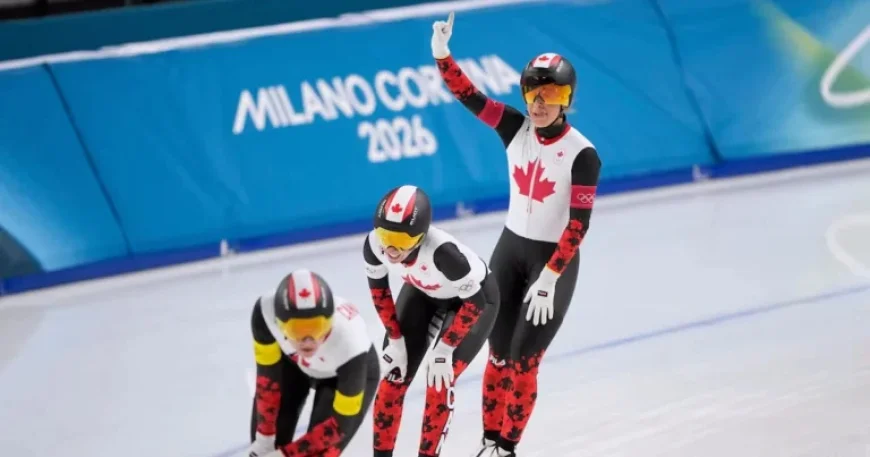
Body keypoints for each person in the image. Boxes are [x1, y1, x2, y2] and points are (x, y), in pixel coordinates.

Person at [430, 12, 603, 457]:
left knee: (524, 363)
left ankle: (507, 447)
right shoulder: (513, 127)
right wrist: (442, 56)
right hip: (509, 251)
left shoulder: (583, 154)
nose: (539, 102)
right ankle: (489, 442)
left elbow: (578, 225)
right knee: (499, 356)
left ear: (567, 99)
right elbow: (470, 96)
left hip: (552, 262)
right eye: (533, 92)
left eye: (551, 93)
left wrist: (549, 278)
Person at [363, 184, 500, 457]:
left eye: (401, 241)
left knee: (438, 381)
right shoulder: (373, 246)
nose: (390, 249)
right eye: (385, 236)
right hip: (423, 292)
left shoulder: (444, 254)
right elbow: (380, 293)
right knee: (393, 380)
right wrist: (396, 339)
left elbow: (475, 304)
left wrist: (444, 349)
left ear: (421, 236)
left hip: (474, 301)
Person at [248, 269, 380, 457]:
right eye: (297, 329)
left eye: (317, 327)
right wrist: (264, 442)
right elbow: (268, 381)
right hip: (293, 366)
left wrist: (285, 455)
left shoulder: (350, 341)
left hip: (342, 376)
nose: (308, 340)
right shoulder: (264, 314)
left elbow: (339, 425)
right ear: (279, 323)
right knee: (264, 447)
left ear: (331, 322)